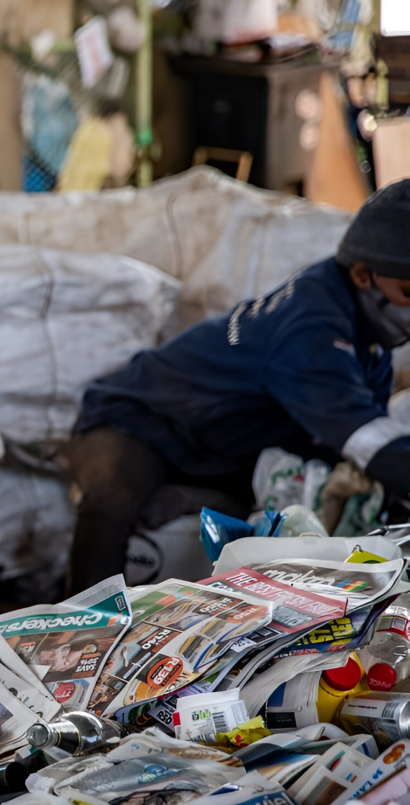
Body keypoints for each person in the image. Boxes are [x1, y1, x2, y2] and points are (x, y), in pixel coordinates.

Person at [67, 179, 410, 594]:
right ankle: (81, 626)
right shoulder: (313, 331)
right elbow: (370, 444)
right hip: (138, 420)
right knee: (112, 500)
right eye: (408, 291)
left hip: (221, 448)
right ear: (362, 275)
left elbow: (363, 446)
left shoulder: (365, 335)